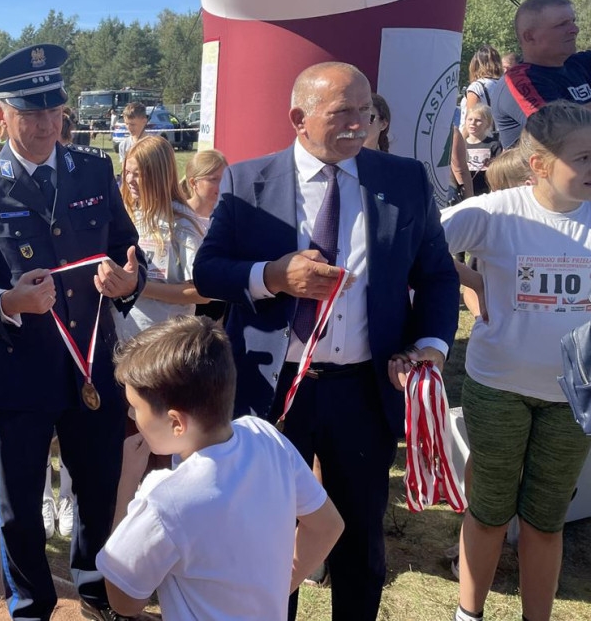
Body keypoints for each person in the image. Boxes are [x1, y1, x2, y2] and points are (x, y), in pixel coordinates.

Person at [193, 61, 459, 621]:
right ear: (299, 118)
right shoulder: (247, 181)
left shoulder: (402, 180)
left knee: (360, 540)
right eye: (343, 113)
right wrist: (273, 276)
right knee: (269, 538)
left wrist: (430, 346)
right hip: (272, 391)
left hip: (363, 391)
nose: (359, 126)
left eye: (366, 112)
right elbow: (210, 270)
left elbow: (436, 275)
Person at [0, 43, 147, 621]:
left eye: (53, 112)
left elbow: (124, 254)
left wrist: (127, 280)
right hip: (20, 370)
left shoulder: (93, 168)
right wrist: (8, 301)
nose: (44, 126)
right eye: (29, 114)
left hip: (92, 368)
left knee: (99, 488)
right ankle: (31, 604)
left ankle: (92, 586)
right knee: (19, 506)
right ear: (1, 115)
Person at [442, 101, 591, 621]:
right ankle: (469, 614)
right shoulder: (497, 211)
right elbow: (417, 244)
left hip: (572, 401)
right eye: (585, 157)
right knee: (487, 511)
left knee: (545, 522)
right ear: (540, 166)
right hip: (498, 387)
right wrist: (471, 281)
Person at [97, 316, 344, 620]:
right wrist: (282, 586)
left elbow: (123, 599)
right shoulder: (264, 436)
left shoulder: (162, 498)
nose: (132, 415)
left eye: (135, 407)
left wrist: (127, 483)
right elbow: (328, 525)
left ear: (176, 423)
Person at [116, 135, 209, 342]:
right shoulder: (126, 212)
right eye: (127, 172)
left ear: (158, 176)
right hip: (124, 342)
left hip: (163, 346)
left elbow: (201, 292)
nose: (129, 180)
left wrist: (137, 287)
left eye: (138, 174)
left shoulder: (181, 224)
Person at [491, 0, 591, 149]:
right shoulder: (519, 79)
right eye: (562, 24)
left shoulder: (578, 63)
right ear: (530, 37)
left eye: (573, 21)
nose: (575, 29)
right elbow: (559, 130)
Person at [180, 149, 228, 320]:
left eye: (224, 178)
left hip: (221, 309)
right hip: (186, 311)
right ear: (194, 183)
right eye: (214, 179)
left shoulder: (228, 216)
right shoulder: (178, 218)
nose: (221, 185)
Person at [458, 45, 504, 131]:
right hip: (500, 138)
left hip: (478, 140)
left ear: (475, 64)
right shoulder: (504, 85)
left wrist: (461, 141)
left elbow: (471, 121)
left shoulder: (477, 87)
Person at [462, 104, 502, 196]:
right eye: (470, 119)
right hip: (464, 193)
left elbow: (498, 171)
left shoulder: (494, 145)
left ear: (487, 124)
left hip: (487, 192)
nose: (473, 123)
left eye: (478, 120)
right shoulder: (461, 145)